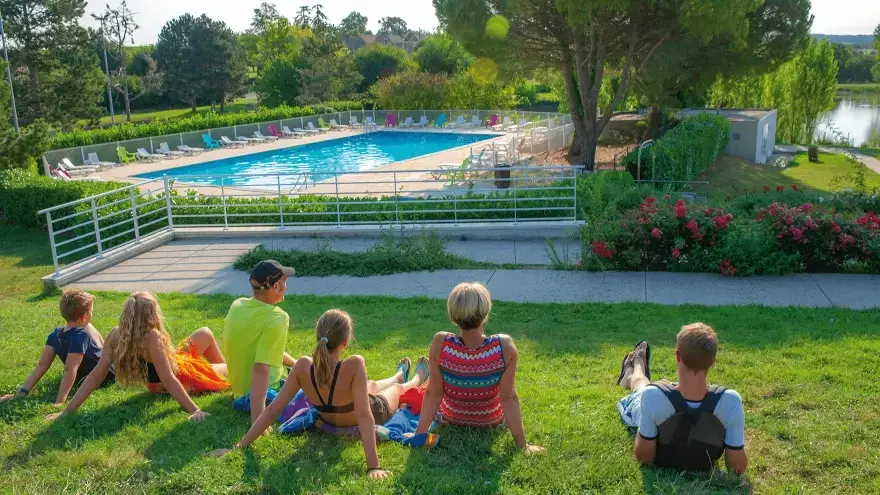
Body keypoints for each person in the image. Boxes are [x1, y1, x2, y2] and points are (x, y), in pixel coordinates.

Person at [213, 309, 429, 480]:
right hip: (374, 410)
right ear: (345, 343)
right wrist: (373, 466)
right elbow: (364, 415)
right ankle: (413, 379)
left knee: (370, 384)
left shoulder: (302, 367)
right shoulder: (354, 364)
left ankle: (397, 375)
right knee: (398, 391)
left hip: (330, 417)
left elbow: (272, 410)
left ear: (319, 337)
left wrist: (239, 445)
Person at [46, 291, 229, 422]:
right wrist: (195, 410)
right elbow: (168, 378)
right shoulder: (152, 337)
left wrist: (67, 412)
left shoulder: (115, 334)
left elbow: (95, 376)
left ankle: (216, 366)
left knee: (205, 333)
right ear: (151, 314)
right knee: (230, 368)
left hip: (161, 377)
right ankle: (219, 370)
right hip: (182, 378)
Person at [413, 282, 544, 453]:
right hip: (491, 422)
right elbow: (508, 399)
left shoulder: (441, 343)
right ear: (485, 312)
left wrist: (419, 435)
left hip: (450, 418)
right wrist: (522, 445)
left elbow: (433, 394)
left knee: (422, 389)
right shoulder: (504, 346)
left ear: (453, 315)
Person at [617, 324, 747, 474]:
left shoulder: (652, 396)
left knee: (642, 388)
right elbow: (737, 468)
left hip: (652, 400)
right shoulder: (731, 402)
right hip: (654, 396)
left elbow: (644, 459)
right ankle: (636, 367)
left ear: (678, 356)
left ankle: (635, 369)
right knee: (641, 387)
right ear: (713, 362)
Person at [1, 289, 114, 406]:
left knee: (89, 326)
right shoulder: (81, 335)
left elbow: (42, 366)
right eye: (91, 311)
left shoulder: (55, 335)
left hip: (82, 379)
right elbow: (70, 369)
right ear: (84, 316)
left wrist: (22, 392)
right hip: (104, 376)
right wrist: (60, 401)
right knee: (93, 329)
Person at [224, 260, 299, 424]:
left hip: (240, 394)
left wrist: (295, 363)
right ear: (276, 287)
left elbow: (267, 350)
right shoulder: (278, 317)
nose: (286, 285)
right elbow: (261, 369)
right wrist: (258, 420)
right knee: (313, 401)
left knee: (305, 369)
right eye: (284, 281)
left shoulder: (237, 305)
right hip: (261, 394)